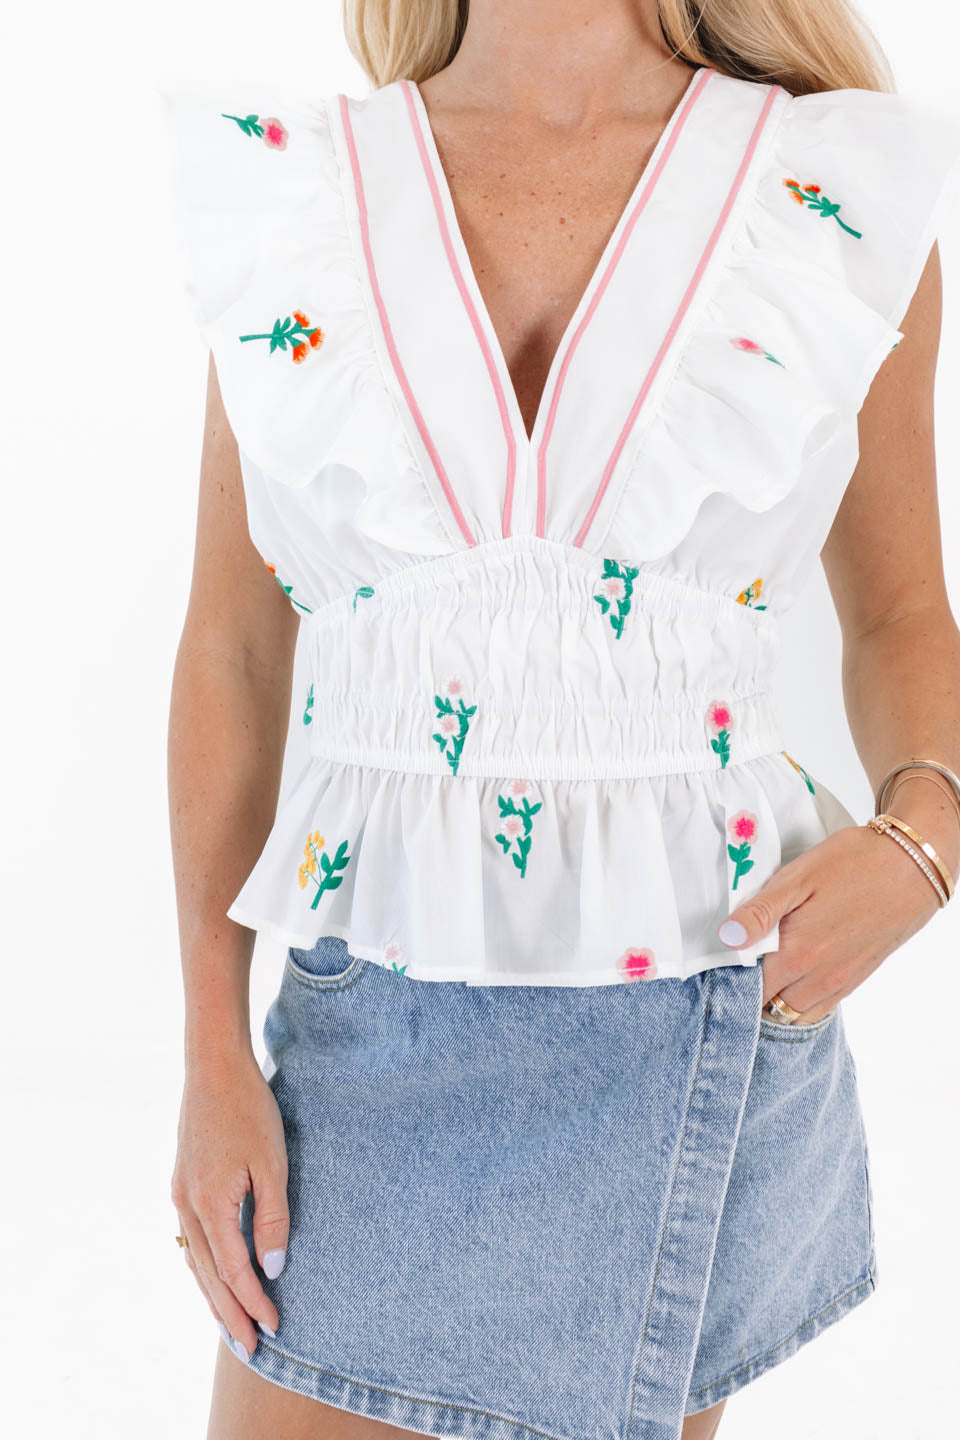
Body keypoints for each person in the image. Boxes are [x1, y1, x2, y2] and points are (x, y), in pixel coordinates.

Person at [161, 1, 960, 1436]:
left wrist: (930, 840)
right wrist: (210, 1050)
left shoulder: (825, 194)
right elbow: (229, 651)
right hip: (369, 1022)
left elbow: (903, 609)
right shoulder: (300, 196)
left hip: (704, 993)